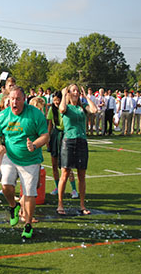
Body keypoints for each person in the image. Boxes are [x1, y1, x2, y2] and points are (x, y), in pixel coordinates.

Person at [0, 86, 49, 239]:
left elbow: (45, 135)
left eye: (18, 99)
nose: (14, 102)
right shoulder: (4, 115)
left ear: (24, 100)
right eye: (12, 99)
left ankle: (28, 224)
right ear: (8, 100)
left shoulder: (35, 114)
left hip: (31, 159)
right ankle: (14, 206)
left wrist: (35, 145)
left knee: (30, 192)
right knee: (5, 186)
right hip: (10, 156)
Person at [56, 84, 97, 216]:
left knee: (81, 175)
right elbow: (61, 109)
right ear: (68, 93)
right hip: (69, 141)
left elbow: (94, 110)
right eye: (73, 90)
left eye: (77, 90)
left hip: (82, 141)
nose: (76, 92)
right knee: (65, 173)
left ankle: (82, 205)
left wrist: (86, 97)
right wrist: (63, 95)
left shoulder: (81, 107)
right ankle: (60, 204)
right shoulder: (66, 107)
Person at [46, 92, 78, 199]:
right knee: (54, 164)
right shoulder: (52, 109)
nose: (56, 102)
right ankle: (57, 187)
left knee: (66, 165)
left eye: (57, 100)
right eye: (54, 100)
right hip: (56, 135)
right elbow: (50, 125)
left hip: (66, 135)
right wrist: (48, 139)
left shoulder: (67, 108)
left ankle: (74, 189)